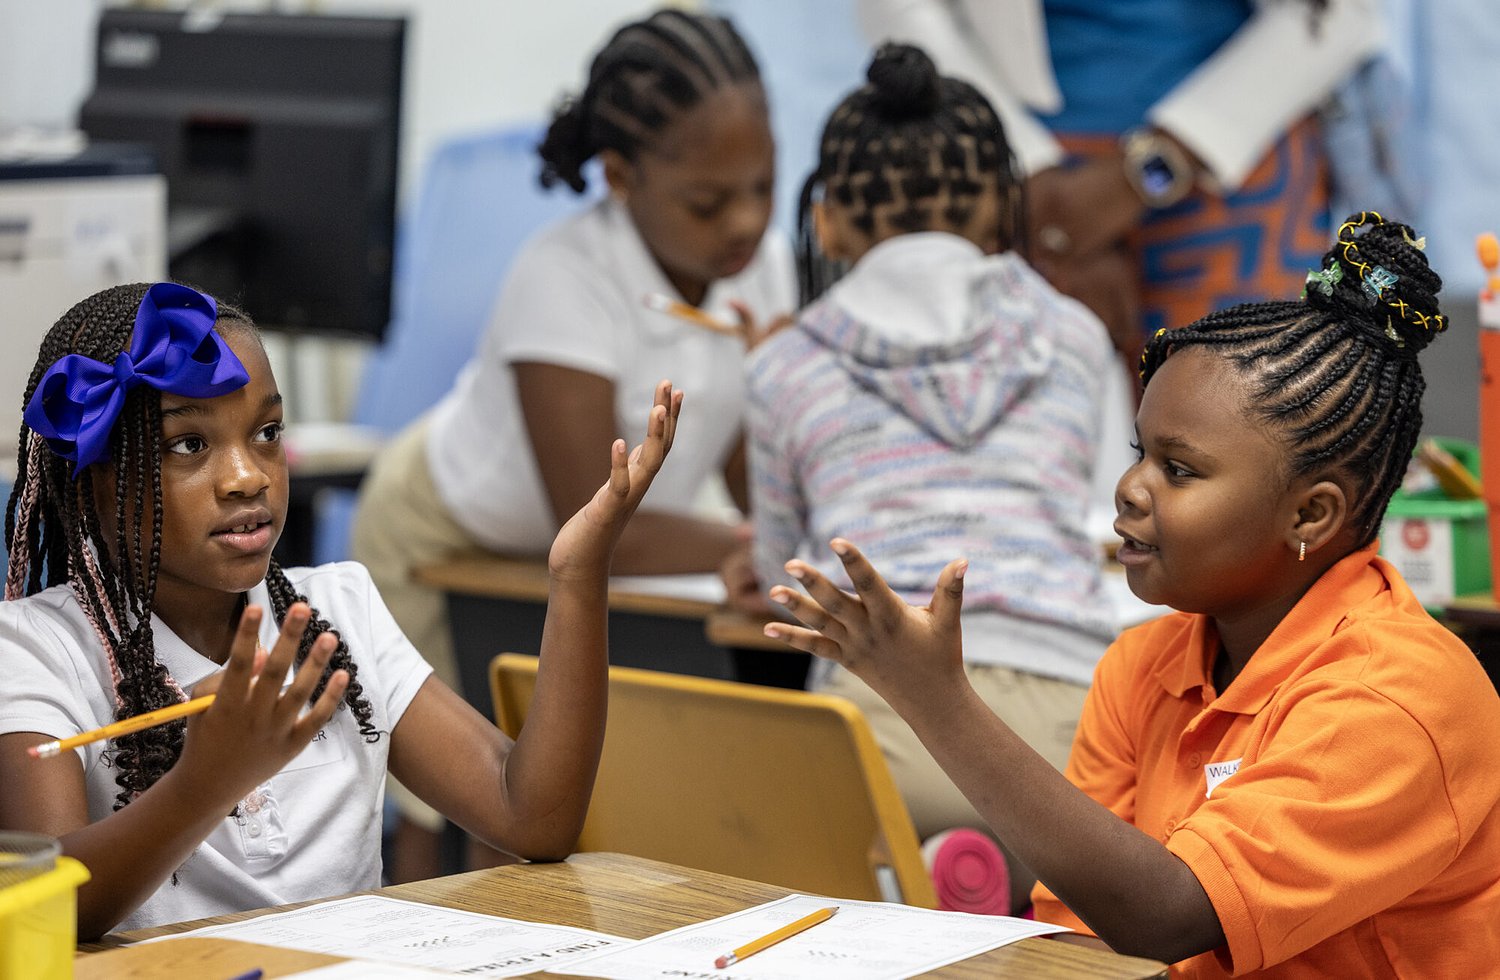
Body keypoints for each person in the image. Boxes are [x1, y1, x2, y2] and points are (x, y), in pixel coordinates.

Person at [761, 213, 1500, 974]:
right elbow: (1083, 937)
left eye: (1178, 470)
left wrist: (938, 702)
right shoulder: (1144, 665)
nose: (1129, 489)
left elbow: (1166, 915)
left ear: (1310, 513)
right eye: (1139, 453)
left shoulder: (1398, 698)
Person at [0, 281, 682, 940]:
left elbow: (531, 817)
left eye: (267, 431)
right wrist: (205, 780)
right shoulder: (35, 649)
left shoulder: (338, 608)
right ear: (94, 484)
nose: (249, 475)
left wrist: (578, 575)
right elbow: (48, 909)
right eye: (190, 445)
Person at [350, 7, 794, 877]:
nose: (745, 222)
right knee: (447, 807)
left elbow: (753, 472)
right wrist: (753, 547)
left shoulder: (762, 264)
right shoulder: (562, 277)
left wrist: (776, 495)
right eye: (710, 200)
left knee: (550, 792)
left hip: (588, 546)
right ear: (622, 176)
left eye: (764, 187)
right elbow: (589, 518)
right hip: (435, 532)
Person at [734, 43, 1114, 913]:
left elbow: (775, 578)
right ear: (996, 209)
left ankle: (930, 871)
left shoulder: (784, 362)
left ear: (826, 222)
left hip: (885, 724)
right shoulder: (1073, 335)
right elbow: (1100, 521)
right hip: (1074, 730)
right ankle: (1001, 874)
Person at [856, 0, 1385, 372]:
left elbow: (1340, 12)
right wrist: (1037, 187)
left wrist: (1147, 171)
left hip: (1234, 153)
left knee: (1249, 449)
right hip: (1005, 164)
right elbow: (902, 7)